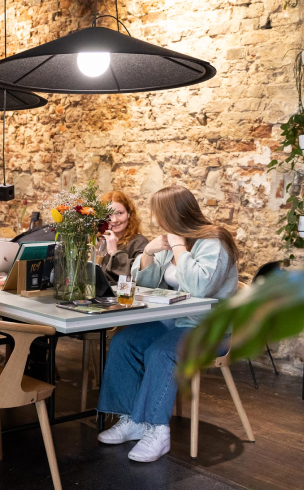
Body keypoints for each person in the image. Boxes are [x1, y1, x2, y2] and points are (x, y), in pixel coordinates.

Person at [96, 186, 239, 462]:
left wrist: (179, 247)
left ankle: (157, 430)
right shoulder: (168, 240)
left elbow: (201, 286)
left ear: (173, 213)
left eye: (157, 213)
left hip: (210, 329)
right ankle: (132, 420)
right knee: (124, 342)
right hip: (175, 322)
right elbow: (144, 285)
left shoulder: (214, 241)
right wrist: (148, 253)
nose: (154, 218)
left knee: (161, 352)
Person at [99, 191, 148, 284]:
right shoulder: (101, 240)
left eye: (119, 213)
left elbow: (140, 276)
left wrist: (114, 253)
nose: (114, 220)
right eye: (108, 215)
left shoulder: (139, 242)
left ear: (129, 213)